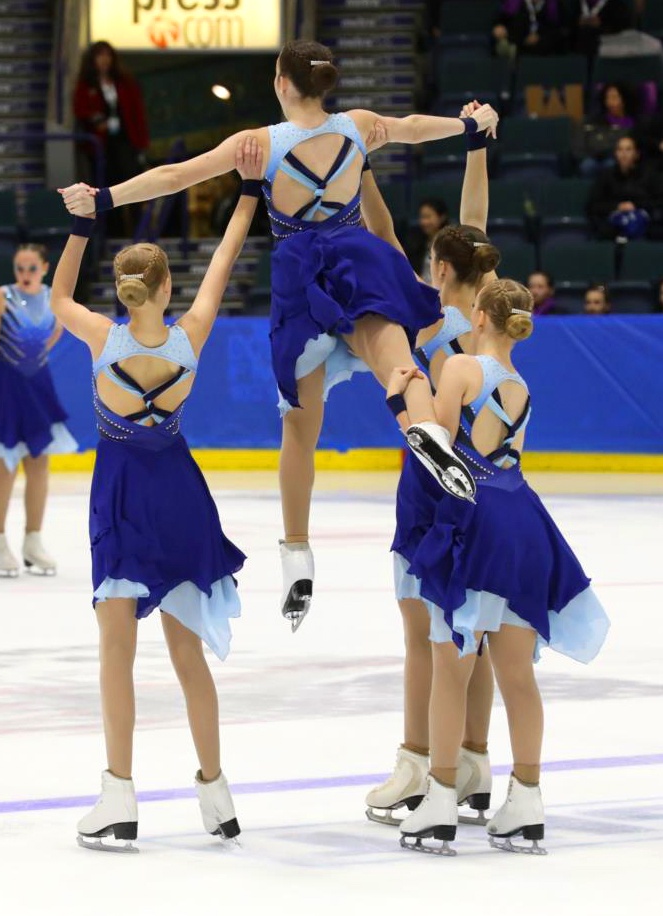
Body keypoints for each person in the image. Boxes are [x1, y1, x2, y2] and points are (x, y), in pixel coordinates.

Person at [62, 39, 500, 631]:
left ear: (281, 84)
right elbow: (413, 127)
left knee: (300, 425)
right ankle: (422, 428)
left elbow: (175, 175)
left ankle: (297, 549)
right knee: (397, 362)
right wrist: (467, 124)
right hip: (357, 263)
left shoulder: (261, 144)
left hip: (303, 282)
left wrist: (106, 197)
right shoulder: (357, 127)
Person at [52, 139, 262, 853]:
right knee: (186, 654)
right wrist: (247, 193)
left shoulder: (97, 337)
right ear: (166, 289)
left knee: (116, 652)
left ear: (124, 290)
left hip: (120, 495)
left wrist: (82, 225)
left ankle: (118, 796)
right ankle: (216, 794)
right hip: (180, 493)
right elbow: (225, 264)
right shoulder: (190, 336)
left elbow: (56, 297)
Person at [388, 278, 610, 854]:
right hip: (524, 522)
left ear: (480, 316)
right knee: (517, 673)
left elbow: (436, 451)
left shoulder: (462, 370)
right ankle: (527, 801)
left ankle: (439, 799)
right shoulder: (521, 386)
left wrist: (399, 400)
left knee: (451, 665)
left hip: (476, 521)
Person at [362, 106, 499, 829]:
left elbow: (382, 240)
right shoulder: (492, 314)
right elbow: (472, 225)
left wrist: (356, 172)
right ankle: (472, 761)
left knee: (421, 632)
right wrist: (475, 147)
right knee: (472, 627)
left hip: (430, 483)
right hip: (494, 482)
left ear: (439, 269)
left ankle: (416, 762)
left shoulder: (423, 316)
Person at [0, 244, 77, 578]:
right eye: (19, 269)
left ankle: (33, 541)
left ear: (45, 267)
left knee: (39, 465)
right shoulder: (1, 297)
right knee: (6, 467)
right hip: (2, 386)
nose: (25, 275)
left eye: (31, 268)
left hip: (37, 386)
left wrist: (35, 360)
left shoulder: (54, 298)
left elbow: (53, 334)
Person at [73, 40, 149, 237]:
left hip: (125, 142)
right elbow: (81, 109)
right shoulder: (86, 85)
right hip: (102, 148)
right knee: (107, 191)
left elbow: (137, 113)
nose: (104, 60)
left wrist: (141, 143)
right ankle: (114, 236)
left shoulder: (125, 83)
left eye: (107, 55)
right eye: (100, 56)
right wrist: (98, 120)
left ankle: (139, 234)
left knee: (134, 186)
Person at [587, 135, 663, 239]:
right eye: (620, 149)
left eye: (628, 149)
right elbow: (594, 205)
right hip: (613, 226)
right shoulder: (606, 176)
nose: (624, 154)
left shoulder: (649, 175)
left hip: (645, 224)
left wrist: (635, 205)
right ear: (616, 153)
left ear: (636, 154)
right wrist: (618, 206)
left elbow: (659, 201)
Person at [580, 83, 639, 176]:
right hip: (597, 156)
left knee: (611, 165)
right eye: (608, 98)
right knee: (587, 166)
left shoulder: (634, 121)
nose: (610, 102)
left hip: (618, 157)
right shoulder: (598, 120)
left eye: (615, 98)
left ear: (623, 99)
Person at [492, 1, 568, 59]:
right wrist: (498, 26)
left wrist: (539, 38)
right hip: (518, 45)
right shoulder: (513, 3)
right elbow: (501, 21)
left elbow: (560, 29)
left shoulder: (553, 5)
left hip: (546, 50)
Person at [403, 198, 449, 286]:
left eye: (428, 217)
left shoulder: (450, 242)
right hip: (421, 289)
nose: (424, 222)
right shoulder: (415, 241)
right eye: (422, 217)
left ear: (442, 217)